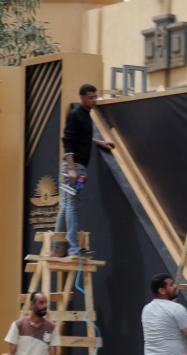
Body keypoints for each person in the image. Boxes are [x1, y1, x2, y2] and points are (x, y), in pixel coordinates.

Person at [53, 83, 115, 257]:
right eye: (90, 97)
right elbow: (67, 141)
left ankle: (58, 248)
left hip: (79, 170)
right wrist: (72, 169)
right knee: (72, 206)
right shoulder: (75, 115)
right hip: (73, 169)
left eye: (95, 97)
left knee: (66, 205)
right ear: (82, 97)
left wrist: (99, 142)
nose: (94, 100)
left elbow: (82, 137)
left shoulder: (87, 115)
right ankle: (73, 247)